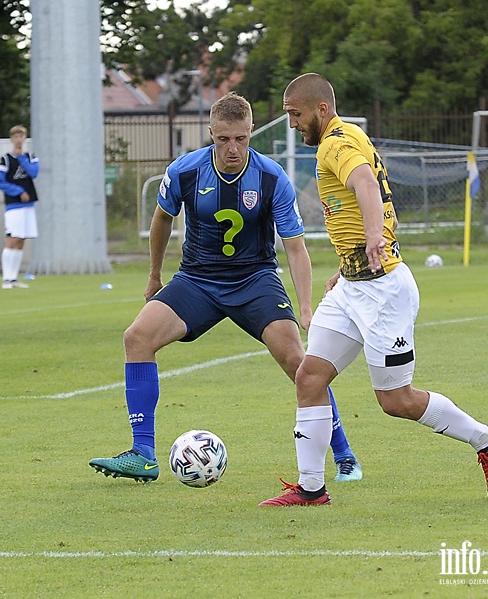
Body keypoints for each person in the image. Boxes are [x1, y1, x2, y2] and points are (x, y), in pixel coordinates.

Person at [261, 73, 488, 507]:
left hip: (382, 292)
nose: (292, 125)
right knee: (310, 376)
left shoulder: (336, 144)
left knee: (395, 400)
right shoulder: (347, 134)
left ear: (321, 109)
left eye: (296, 115)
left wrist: (375, 236)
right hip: (352, 286)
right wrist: (348, 266)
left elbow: (365, 184)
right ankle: (311, 488)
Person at [88, 92, 362, 483]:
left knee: (300, 365)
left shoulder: (270, 178)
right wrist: (154, 276)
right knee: (137, 337)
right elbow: (161, 220)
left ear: (251, 132)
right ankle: (142, 453)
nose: (232, 149)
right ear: (210, 134)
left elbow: (296, 248)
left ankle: (345, 455)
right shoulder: (185, 171)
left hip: (255, 280)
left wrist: (304, 308)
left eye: (240, 139)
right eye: (222, 140)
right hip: (197, 279)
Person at [0, 125, 39, 289]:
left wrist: (22, 159)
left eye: (21, 136)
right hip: (14, 205)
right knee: (12, 238)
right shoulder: (5, 159)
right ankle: (6, 278)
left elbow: (34, 172)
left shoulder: (30, 157)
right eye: (16, 137)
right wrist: (18, 191)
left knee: (21, 241)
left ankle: (14, 278)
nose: (19, 140)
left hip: (28, 205)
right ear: (11, 139)